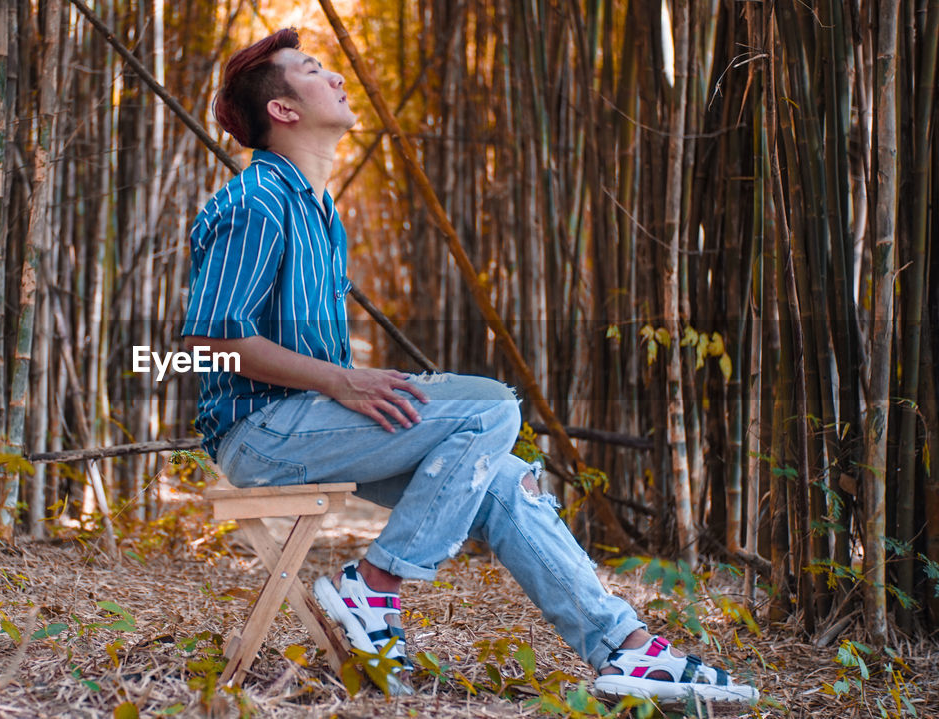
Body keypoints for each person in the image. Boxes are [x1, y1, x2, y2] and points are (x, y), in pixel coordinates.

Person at [180, 27, 758, 706]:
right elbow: (213, 340)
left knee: (509, 480)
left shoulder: (320, 211)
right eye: (312, 69)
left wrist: (353, 388)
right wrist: (343, 379)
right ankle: (375, 588)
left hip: (311, 422)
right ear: (283, 110)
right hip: (262, 433)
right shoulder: (257, 200)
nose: (335, 77)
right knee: (491, 404)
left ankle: (624, 650)